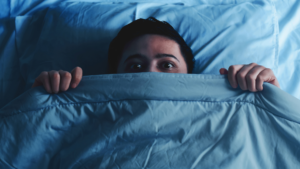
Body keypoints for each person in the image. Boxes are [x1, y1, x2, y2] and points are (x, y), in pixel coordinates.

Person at [32, 17, 280, 93]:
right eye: (135, 66)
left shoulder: (229, 111)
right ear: (114, 75)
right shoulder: (80, 113)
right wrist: (42, 99)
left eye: (167, 65)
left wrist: (272, 96)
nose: (151, 73)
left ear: (189, 74)